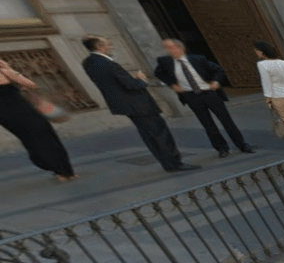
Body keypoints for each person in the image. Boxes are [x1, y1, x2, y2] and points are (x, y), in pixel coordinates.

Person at [81, 35, 197, 172]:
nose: (110, 47)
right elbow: (131, 85)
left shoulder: (88, 62)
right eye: (108, 44)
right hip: (138, 104)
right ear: (100, 46)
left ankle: (168, 163)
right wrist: (141, 80)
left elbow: (114, 83)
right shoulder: (107, 63)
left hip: (127, 105)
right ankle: (174, 163)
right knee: (160, 134)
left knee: (150, 136)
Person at [154, 38, 255, 157]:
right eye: (166, 48)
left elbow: (218, 70)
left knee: (226, 120)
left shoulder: (198, 59)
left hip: (209, 93)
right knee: (207, 124)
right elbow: (158, 73)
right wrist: (172, 84)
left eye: (171, 47)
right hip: (191, 96)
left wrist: (216, 82)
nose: (169, 50)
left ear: (180, 48)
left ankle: (242, 144)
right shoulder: (166, 62)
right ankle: (221, 148)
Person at [0, 57, 75, 180]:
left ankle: (56, 169)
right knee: (46, 137)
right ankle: (65, 171)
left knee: (29, 140)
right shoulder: (4, 72)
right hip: (22, 110)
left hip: (5, 116)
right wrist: (8, 69)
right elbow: (31, 85)